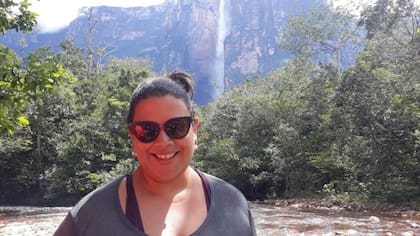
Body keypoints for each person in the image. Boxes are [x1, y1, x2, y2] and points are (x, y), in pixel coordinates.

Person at [54, 70, 257, 236]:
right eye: (147, 130)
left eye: (176, 127)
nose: (163, 142)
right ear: (132, 136)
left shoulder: (233, 205)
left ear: (194, 129)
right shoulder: (93, 214)